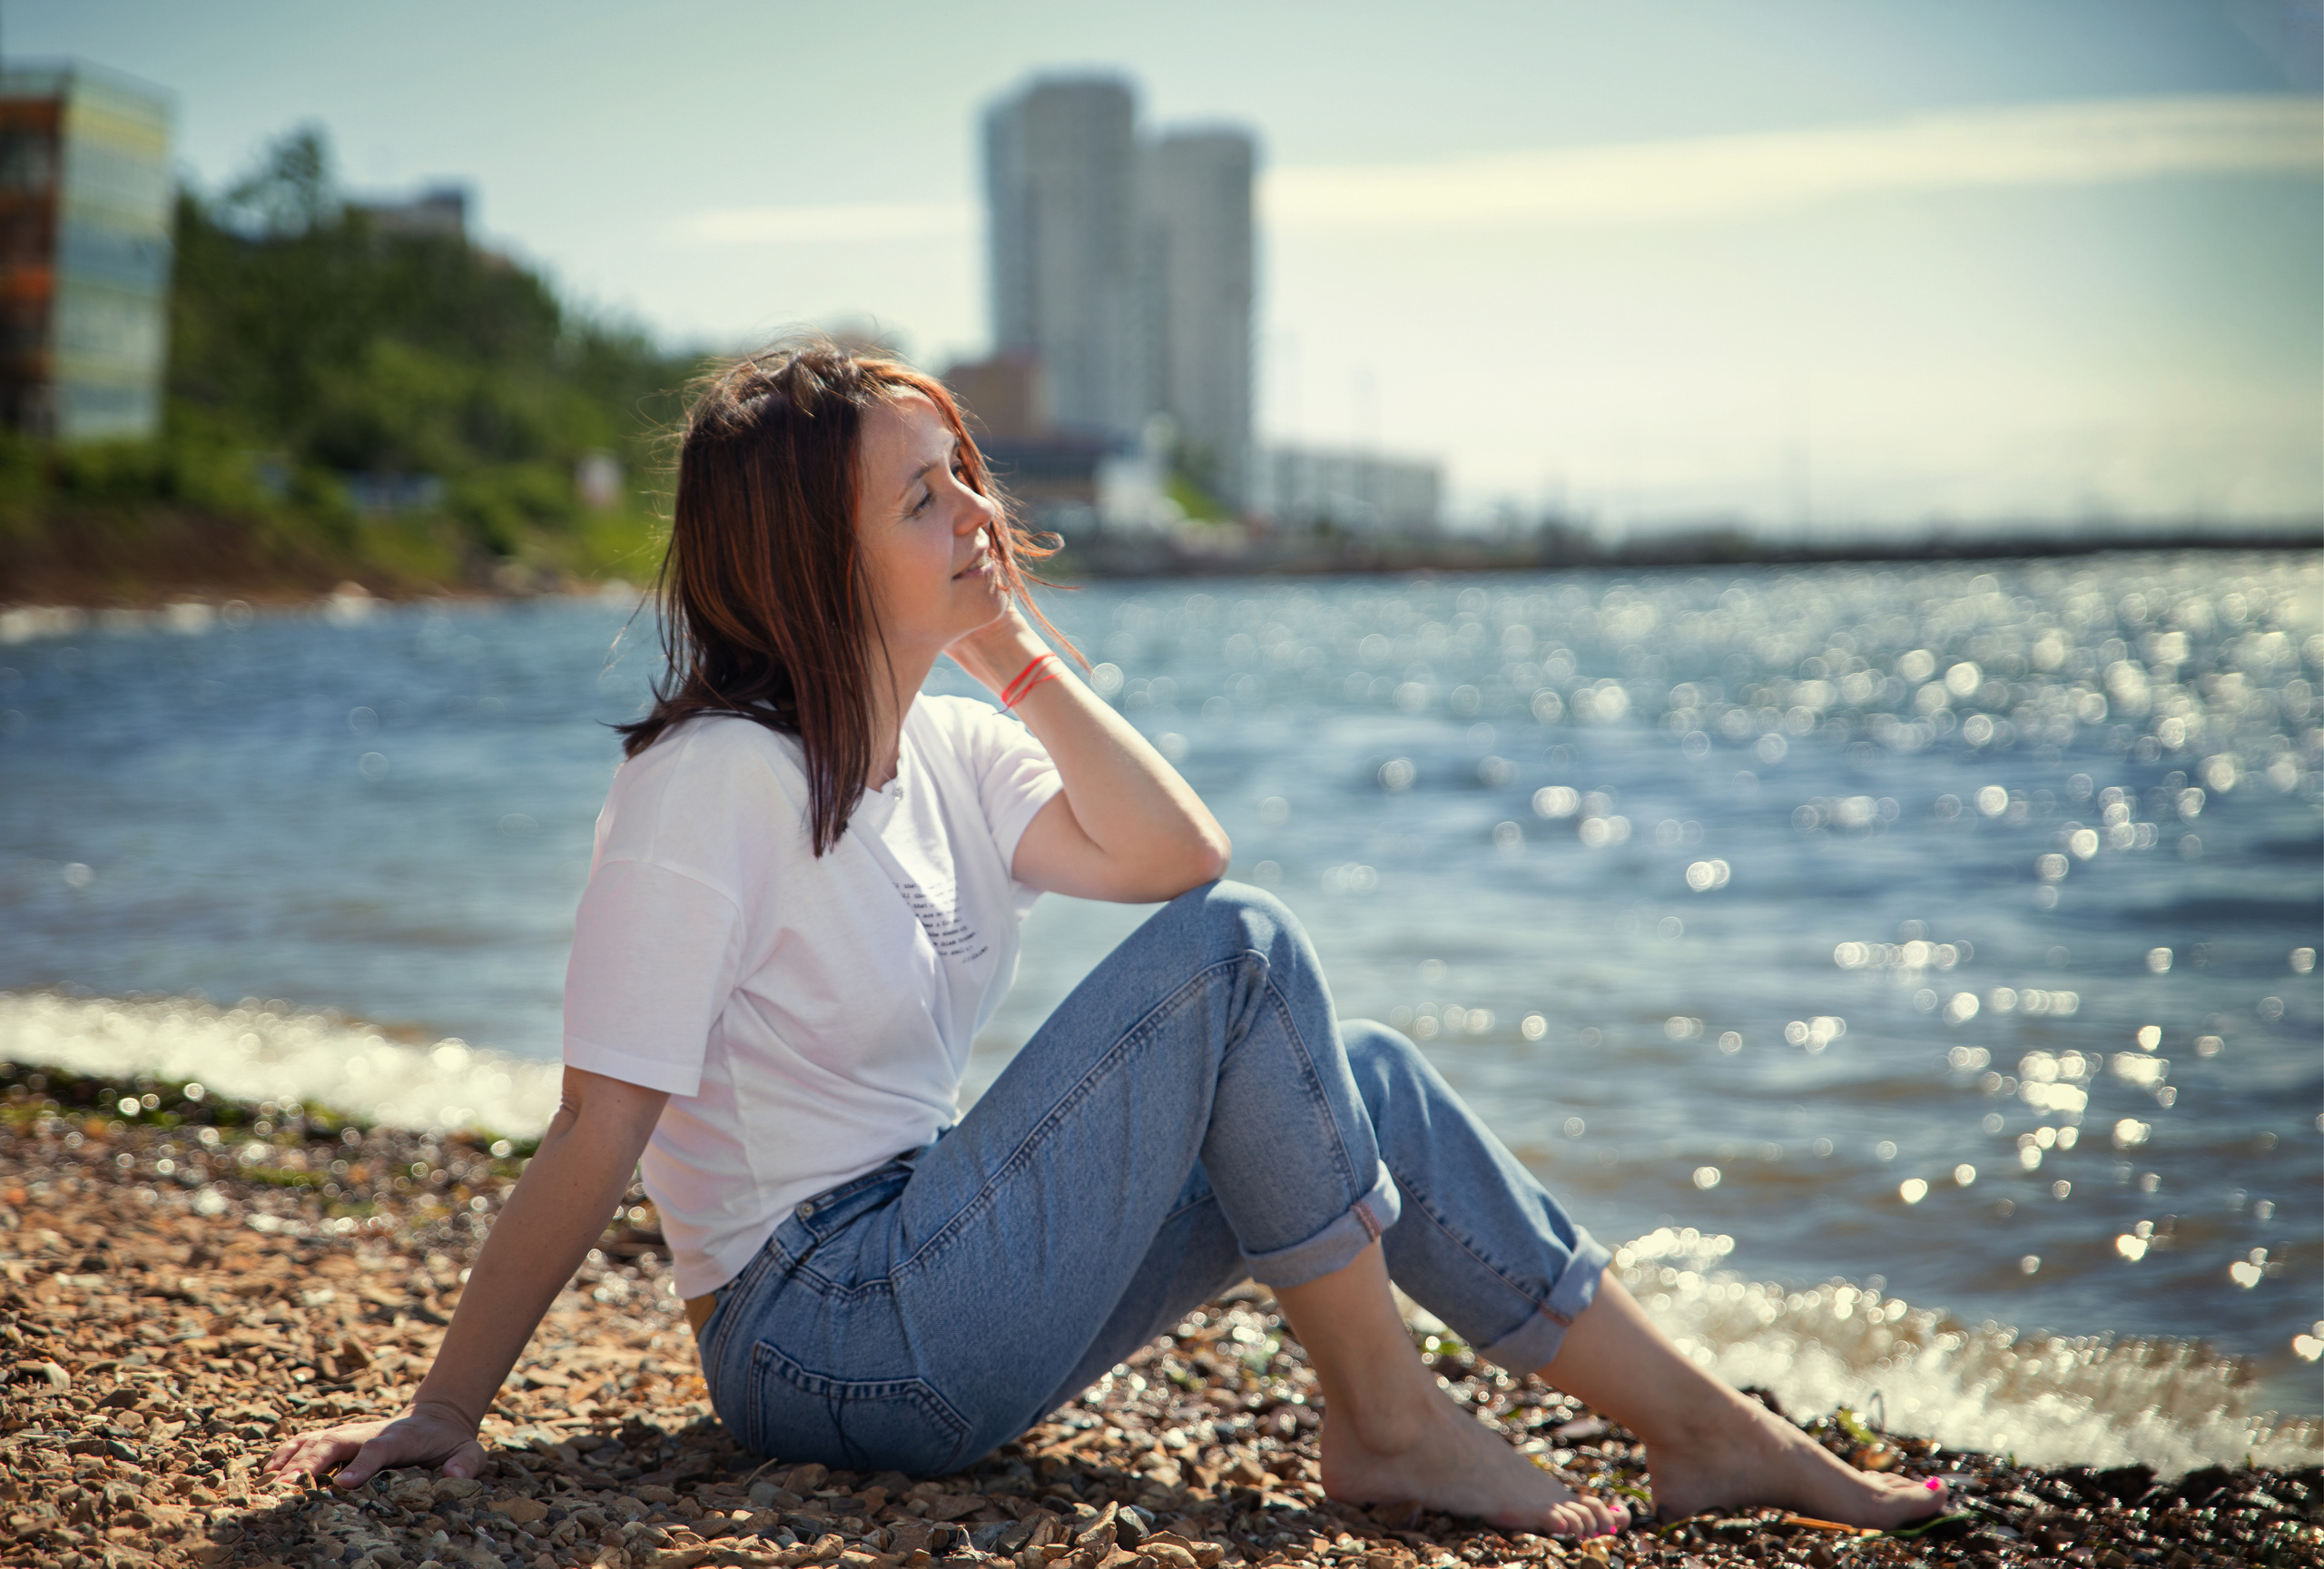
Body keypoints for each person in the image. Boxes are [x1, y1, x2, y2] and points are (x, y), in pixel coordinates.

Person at [267, 342, 1949, 1539]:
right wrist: (445, 1411)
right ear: (808, 554)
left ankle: (1702, 1430)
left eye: (966, 480)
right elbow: (600, 1126)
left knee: (1351, 1070)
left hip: (938, 1261)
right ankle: (1380, 1421)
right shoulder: (712, 783)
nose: (977, 520)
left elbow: (1173, 847)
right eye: (924, 503)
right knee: (1244, 957)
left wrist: (1005, 647)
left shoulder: (952, 743)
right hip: (820, 1334)